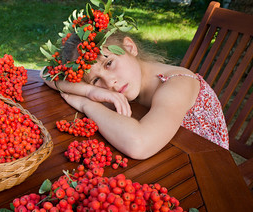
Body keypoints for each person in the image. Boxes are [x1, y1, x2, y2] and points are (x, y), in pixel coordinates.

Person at [40, 1, 229, 160]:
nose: (110, 83)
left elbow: (138, 145)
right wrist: (91, 91)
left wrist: (86, 103)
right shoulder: (127, 83)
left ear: (129, 47)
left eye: (109, 63)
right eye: (96, 79)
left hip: (206, 168)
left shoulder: (177, 85)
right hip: (168, 155)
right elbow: (45, 73)